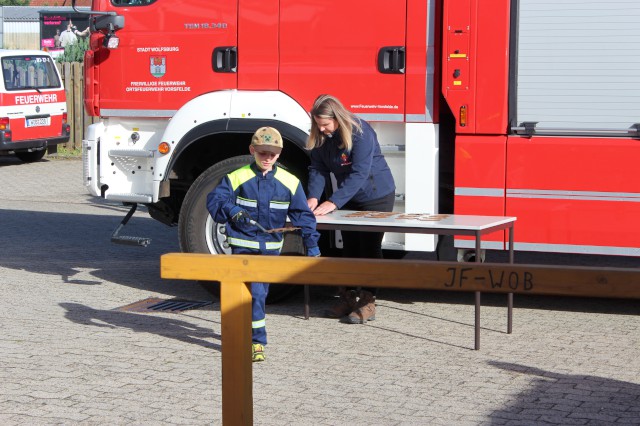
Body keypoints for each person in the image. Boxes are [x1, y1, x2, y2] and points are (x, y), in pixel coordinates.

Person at [207, 126, 321, 362]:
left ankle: (256, 341)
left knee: (258, 295)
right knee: (236, 295)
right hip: (241, 246)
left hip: (268, 252)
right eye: (262, 153)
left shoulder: (290, 182)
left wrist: (312, 248)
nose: (267, 158)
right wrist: (232, 209)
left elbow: (304, 216)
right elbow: (215, 200)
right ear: (252, 150)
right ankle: (241, 337)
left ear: (279, 153)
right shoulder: (237, 177)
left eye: (272, 153)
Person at [306, 94, 396, 324]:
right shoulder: (321, 136)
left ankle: (368, 301)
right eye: (318, 125)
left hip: (376, 196)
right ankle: (349, 297)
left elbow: (360, 173)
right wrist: (314, 197)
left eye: (325, 124)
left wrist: (333, 202)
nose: (322, 129)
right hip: (349, 198)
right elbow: (317, 168)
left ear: (337, 118)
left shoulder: (360, 131)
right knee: (350, 247)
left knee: (369, 247)